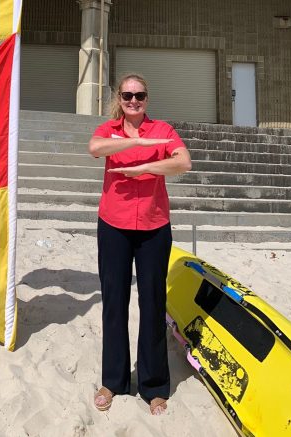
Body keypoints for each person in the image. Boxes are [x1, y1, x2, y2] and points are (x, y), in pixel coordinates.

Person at [88, 73, 192, 415]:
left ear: (147, 98)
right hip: (114, 225)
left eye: (140, 95)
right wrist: (137, 143)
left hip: (153, 226)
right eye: (128, 95)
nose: (134, 101)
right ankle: (113, 380)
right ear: (119, 98)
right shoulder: (109, 130)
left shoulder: (162, 129)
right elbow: (95, 149)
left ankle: (153, 385)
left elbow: (183, 162)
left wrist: (146, 165)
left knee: (152, 303)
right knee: (114, 301)